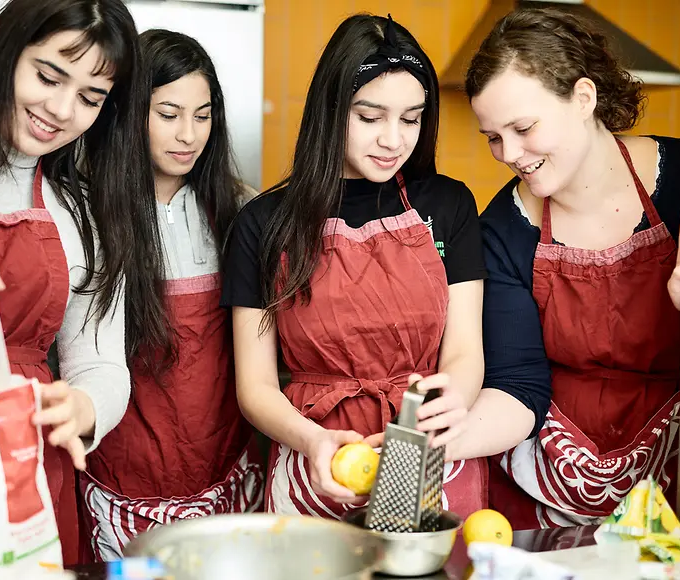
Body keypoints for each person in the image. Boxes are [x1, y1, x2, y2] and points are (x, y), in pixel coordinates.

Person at [222, 13, 529, 521]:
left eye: (411, 119)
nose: (393, 140)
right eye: (370, 118)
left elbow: (464, 351)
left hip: (429, 452)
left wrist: (447, 404)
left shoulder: (449, 205)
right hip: (318, 464)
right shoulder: (264, 222)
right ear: (331, 110)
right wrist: (314, 440)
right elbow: (255, 387)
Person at [0, 0, 164, 575]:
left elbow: (101, 364)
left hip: (18, 472)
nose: (60, 111)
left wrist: (85, 406)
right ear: (7, 51)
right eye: (48, 76)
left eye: (91, 98)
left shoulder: (82, 214)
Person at [466, 7, 680, 529]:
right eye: (493, 137)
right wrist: (446, 437)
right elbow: (517, 383)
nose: (509, 154)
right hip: (546, 478)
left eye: (523, 128)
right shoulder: (500, 230)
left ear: (584, 98)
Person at [80, 29, 264, 561]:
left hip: (226, 473)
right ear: (128, 113)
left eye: (202, 116)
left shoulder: (240, 213)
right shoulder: (87, 213)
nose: (188, 134)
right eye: (168, 114)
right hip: (119, 478)